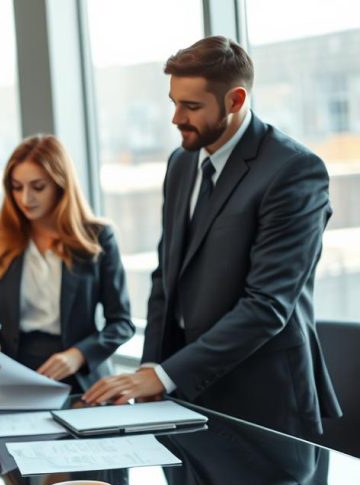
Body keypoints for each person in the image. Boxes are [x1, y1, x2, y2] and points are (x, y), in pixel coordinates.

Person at [84, 36, 341, 438]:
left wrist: (166, 375)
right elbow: (165, 280)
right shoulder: (181, 162)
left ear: (235, 100)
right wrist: (152, 371)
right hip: (183, 391)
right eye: (174, 102)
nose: (176, 118)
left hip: (263, 401)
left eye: (191, 106)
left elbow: (266, 306)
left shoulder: (294, 171)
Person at [0, 135, 133, 394]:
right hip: (13, 373)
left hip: (80, 377)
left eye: (38, 187)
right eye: (17, 187)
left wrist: (78, 355)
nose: (26, 198)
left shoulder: (97, 237)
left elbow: (121, 323)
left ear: (60, 185)